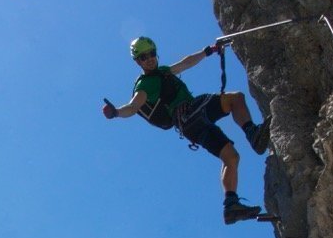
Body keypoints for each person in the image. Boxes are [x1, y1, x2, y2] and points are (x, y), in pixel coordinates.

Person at [102, 36, 272, 225]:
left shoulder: (164, 72)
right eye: (143, 57)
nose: (149, 59)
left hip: (191, 127)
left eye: (152, 54)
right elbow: (134, 107)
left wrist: (209, 51)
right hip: (190, 112)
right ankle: (252, 134)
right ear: (137, 61)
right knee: (235, 99)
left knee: (231, 157)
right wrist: (116, 112)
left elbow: (185, 63)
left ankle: (230, 205)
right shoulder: (145, 84)